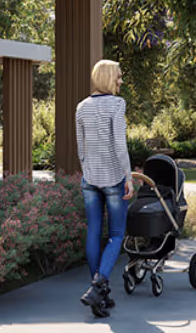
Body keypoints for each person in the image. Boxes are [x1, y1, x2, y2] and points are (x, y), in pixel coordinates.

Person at [75, 59, 134, 318]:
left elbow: (81, 148)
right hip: (112, 179)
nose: (121, 81)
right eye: (118, 77)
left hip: (89, 179)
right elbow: (120, 147)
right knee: (117, 234)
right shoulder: (117, 104)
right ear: (109, 77)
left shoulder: (81, 107)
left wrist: (88, 169)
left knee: (93, 233)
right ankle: (99, 286)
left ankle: (99, 293)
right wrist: (129, 178)